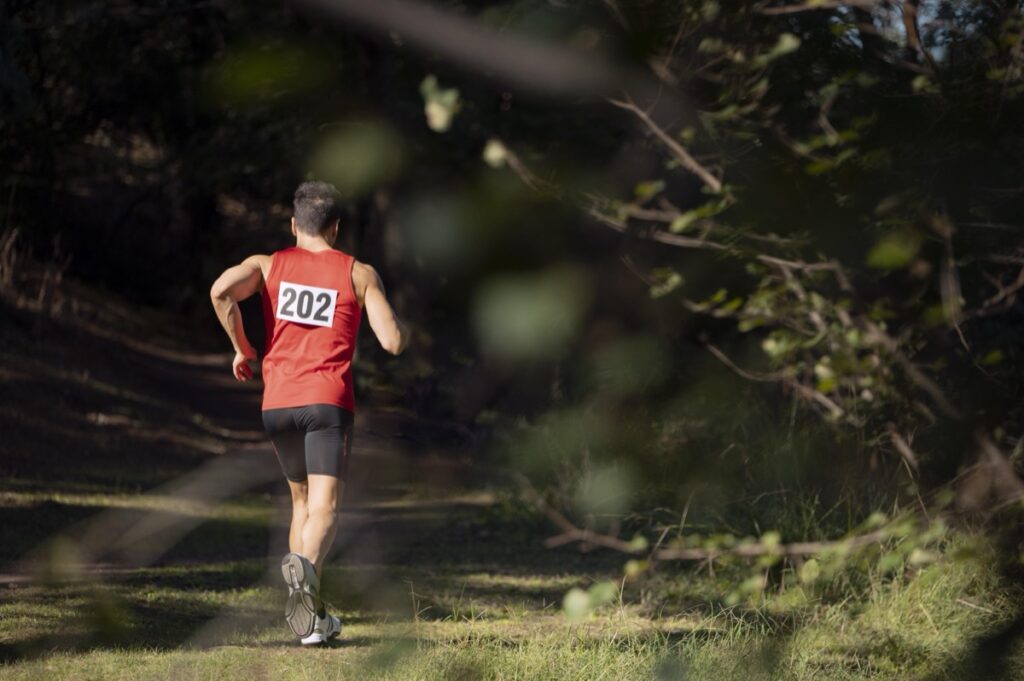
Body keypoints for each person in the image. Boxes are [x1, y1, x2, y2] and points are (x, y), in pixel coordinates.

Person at [209, 181, 408, 645]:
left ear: (294, 224)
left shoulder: (266, 264)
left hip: (277, 403)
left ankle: (313, 621)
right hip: (326, 403)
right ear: (336, 228)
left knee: (301, 504)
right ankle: (305, 580)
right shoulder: (358, 273)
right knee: (327, 508)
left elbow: (221, 291)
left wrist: (243, 349)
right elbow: (393, 342)